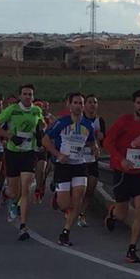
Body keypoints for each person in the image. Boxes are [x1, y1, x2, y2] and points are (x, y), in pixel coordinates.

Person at [103, 89, 140, 263]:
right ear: (133, 104)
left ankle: (132, 248)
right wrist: (121, 159)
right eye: (139, 103)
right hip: (123, 172)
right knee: (122, 214)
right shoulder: (124, 122)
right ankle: (113, 212)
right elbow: (108, 142)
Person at [0, 84, 46, 241]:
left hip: (29, 152)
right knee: (14, 192)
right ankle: (6, 194)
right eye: (25, 94)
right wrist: (10, 136)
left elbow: (41, 124)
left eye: (30, 94)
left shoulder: (37, 110)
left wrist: (40, 130)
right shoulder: (12, 109)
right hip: (13, 152)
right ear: (20, 96)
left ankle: (23, 226)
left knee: (26, 189)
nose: (28, 96)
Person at [42, 92, 97, 246]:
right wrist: (58, 154)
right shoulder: (61, 123)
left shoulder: (88, 125)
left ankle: (65, 232)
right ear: (69, 105)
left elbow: (91, 141)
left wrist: (95, 148)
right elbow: (45, 140)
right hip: (63, 165)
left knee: (79, 197)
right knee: (65, 204)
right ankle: (58, 199)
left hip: (79, 164)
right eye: (75, 103)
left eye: (81, 103)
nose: (78, 106)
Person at [77, 94, 106, 228]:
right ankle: (73, 210)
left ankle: (82, 215)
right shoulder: (78, 120)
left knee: (90, 189)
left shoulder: (100, 121)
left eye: (95, 102)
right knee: (80, 189)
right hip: (78, 159)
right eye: (89, 102)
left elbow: (104, 143)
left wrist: (102, 139)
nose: (92, 105)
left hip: (92, 159)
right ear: (85, 105)